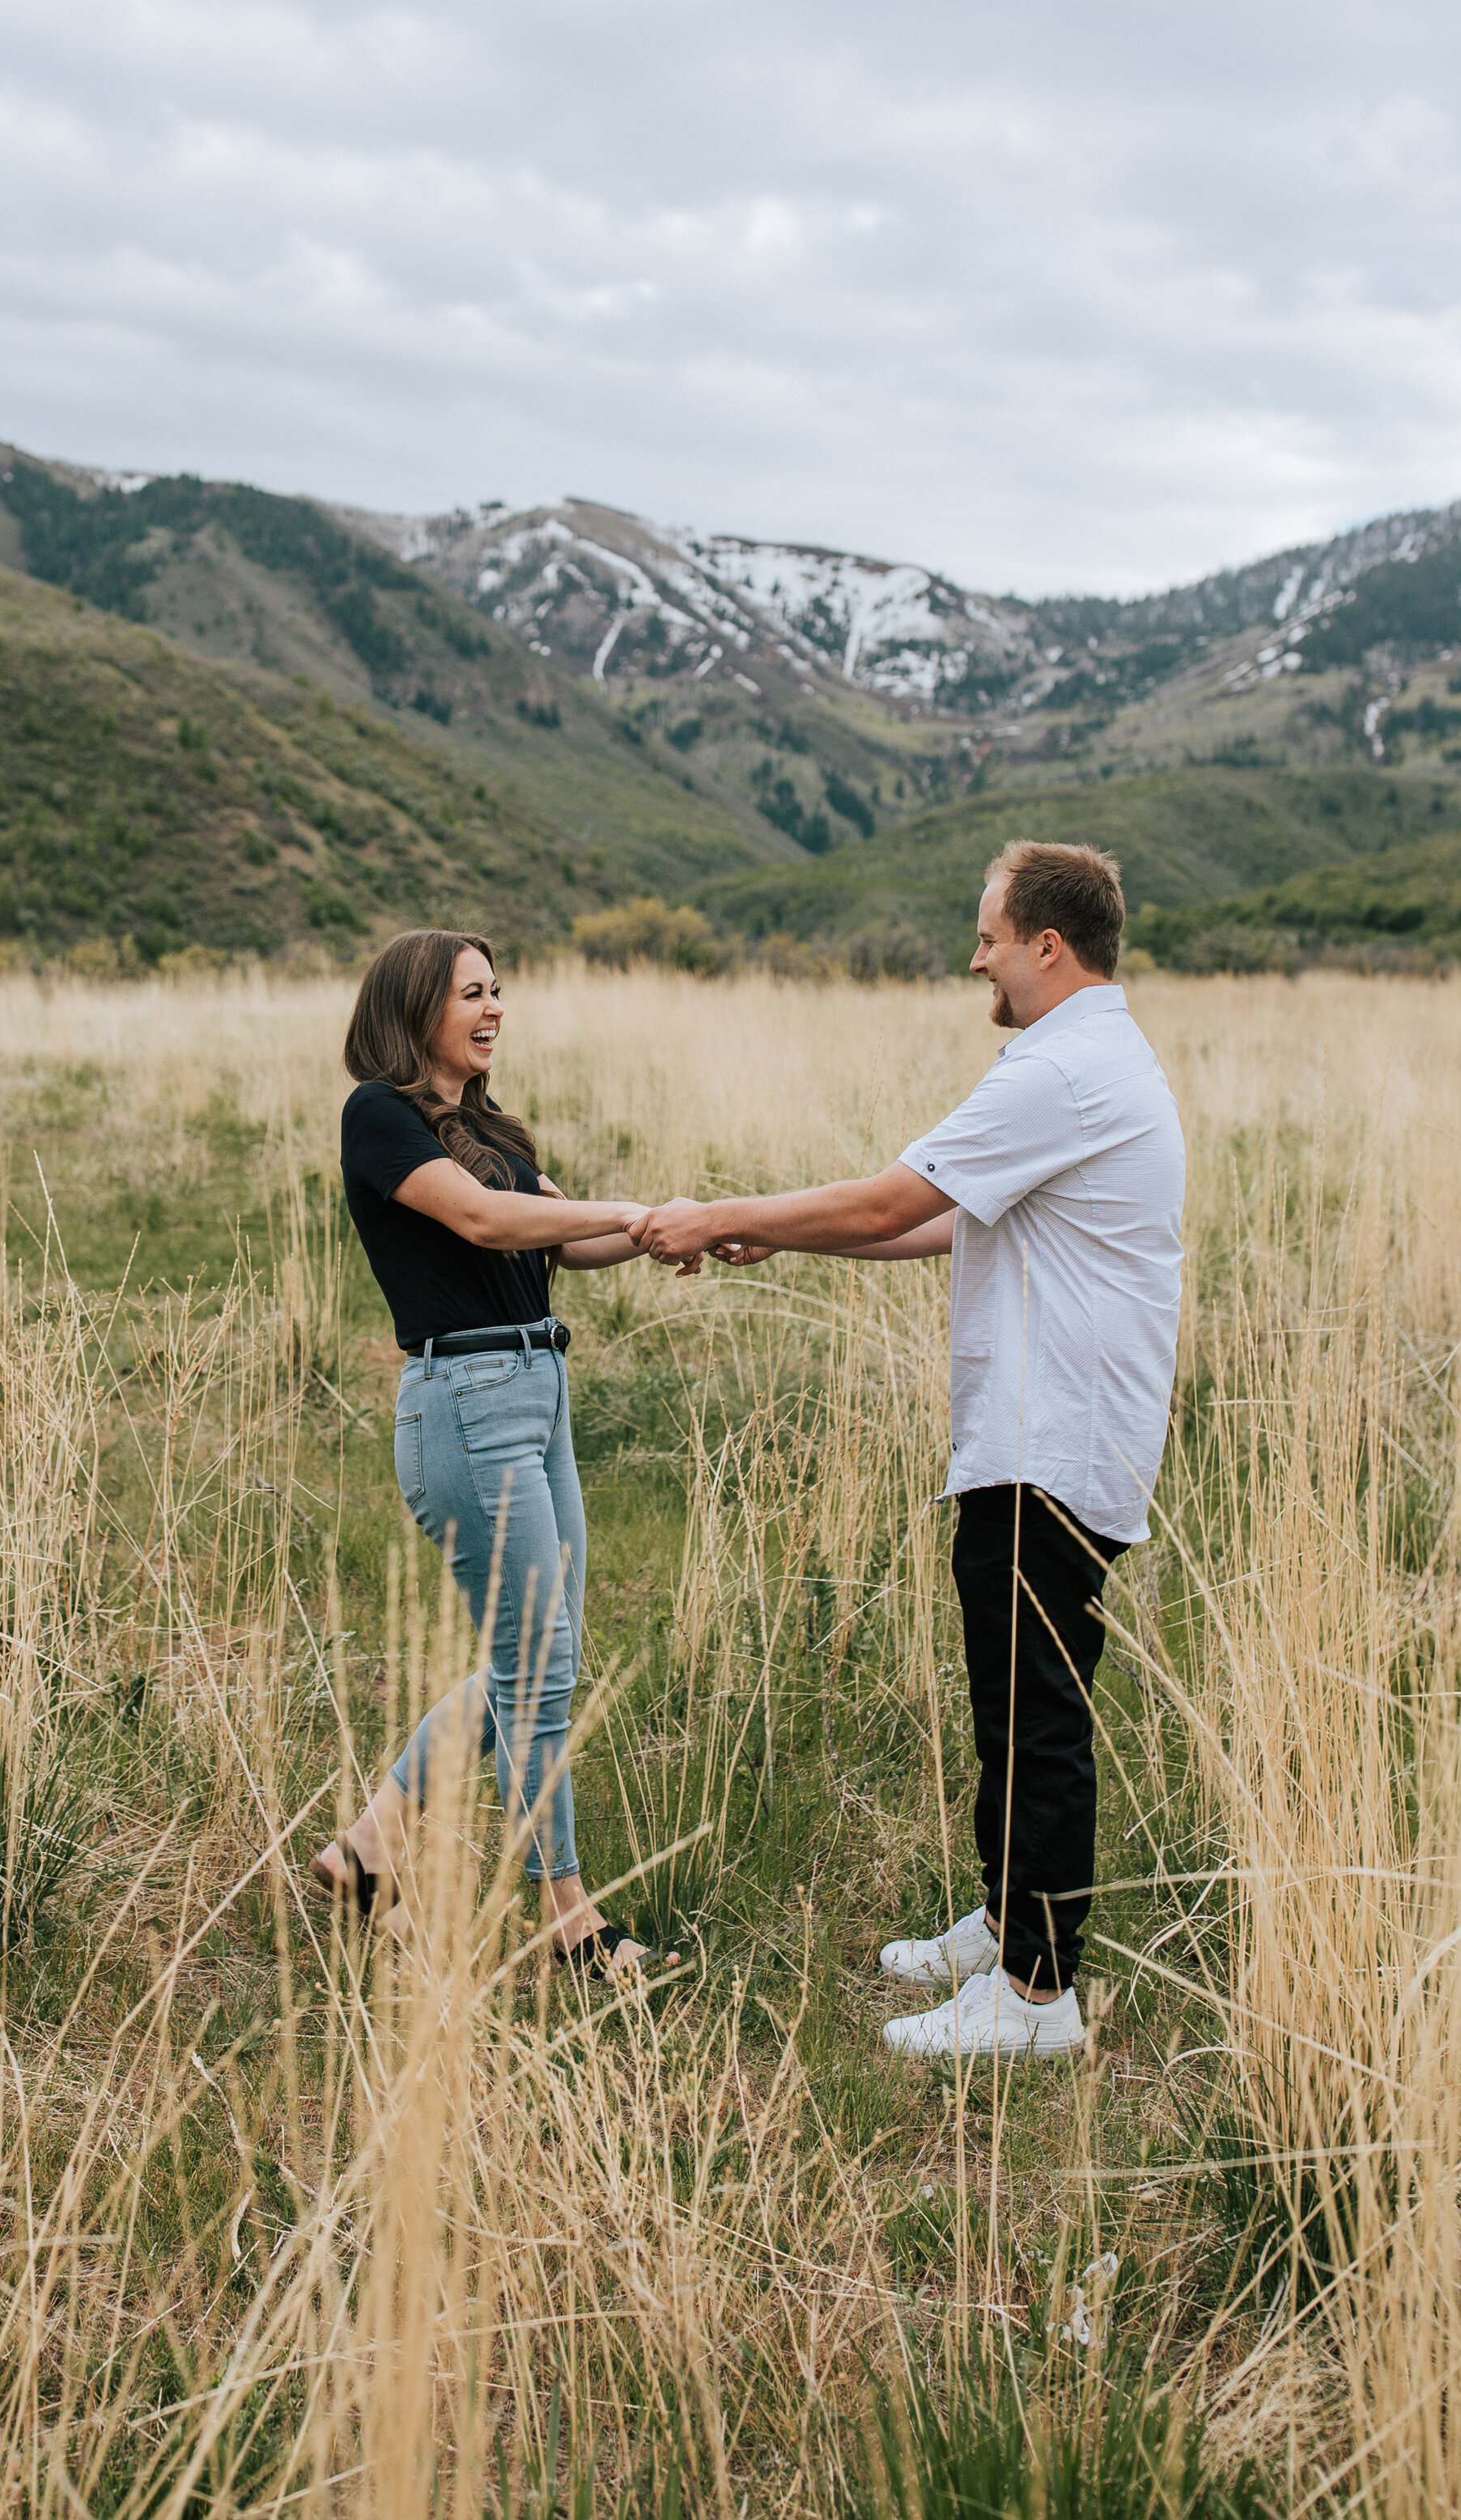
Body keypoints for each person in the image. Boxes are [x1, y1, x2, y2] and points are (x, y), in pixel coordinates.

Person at [632, 841, 1183, 2061]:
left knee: (1038, 1705)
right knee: (1009, 1684)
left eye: (988, 934)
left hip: (1055, 1437)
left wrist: (726, 1211)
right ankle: (1003, 1922)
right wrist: (789, 1239)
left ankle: (1040, 1995)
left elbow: (891, 1199)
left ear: (1047, 944)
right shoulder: (1081, 1057)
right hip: (1041, 1433)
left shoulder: (1064, 1069)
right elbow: (945, 1221)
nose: (973, 955)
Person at [316, 928, 677, 1981]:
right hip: (468, 1401)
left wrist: (668, 1228)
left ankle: (372, 1842)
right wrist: (626, 1210)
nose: (493, 1008)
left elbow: (562, 1236)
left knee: (539, 1660)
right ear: (417, 1006)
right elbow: (480, 1221)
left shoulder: (489, 1126)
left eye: (497, 991)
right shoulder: (377, 1118)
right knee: (537, 1670)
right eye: (471, 992)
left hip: (537, 1391)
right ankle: (568, 1918)